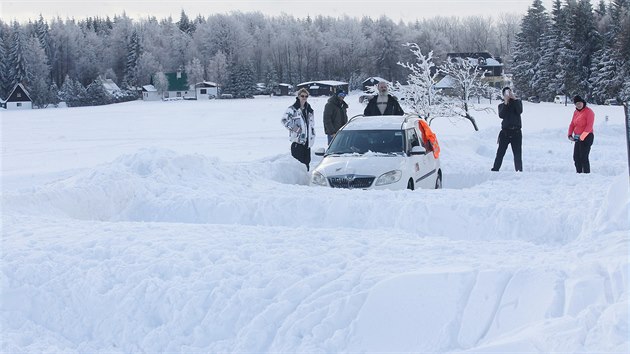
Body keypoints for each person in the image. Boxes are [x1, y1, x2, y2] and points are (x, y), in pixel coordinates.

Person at [281, 88, 315, 171]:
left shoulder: (309, 110)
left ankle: (305, 181)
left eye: (306, 96)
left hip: (307, 143)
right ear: (298, 96)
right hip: (297, 142)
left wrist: (312, 134)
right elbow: (284, 120)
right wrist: (296, 129)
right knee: (298, 165)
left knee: (307, 163)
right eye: (302, 96)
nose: (304, 98)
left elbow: (311, 124)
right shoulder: (292, 109)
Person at [491, 86, 523, 172]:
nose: (508, 95)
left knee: (517, 154)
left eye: (509, 92)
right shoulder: (501, 105)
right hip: (505, 132)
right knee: (500, 153)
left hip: (516, 132)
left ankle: (519, 171)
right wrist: (505, 102)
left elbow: (519, 111)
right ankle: (495, 169)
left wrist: (514, 99)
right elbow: (501, 115)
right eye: (506, 93)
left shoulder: (518, 102)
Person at [568, 95, 595, 173]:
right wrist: (570, 135)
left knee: (584, 157)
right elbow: (572, 124)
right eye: (576, 104)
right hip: (578, 137)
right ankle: (579, 173)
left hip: (587, 137)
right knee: (576, 157)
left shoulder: (589, 112)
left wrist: (582, 137)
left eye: (580, 103)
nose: (578, 105)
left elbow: (589, 126)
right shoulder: (576, 112)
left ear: (583, 102)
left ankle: (586, 174)